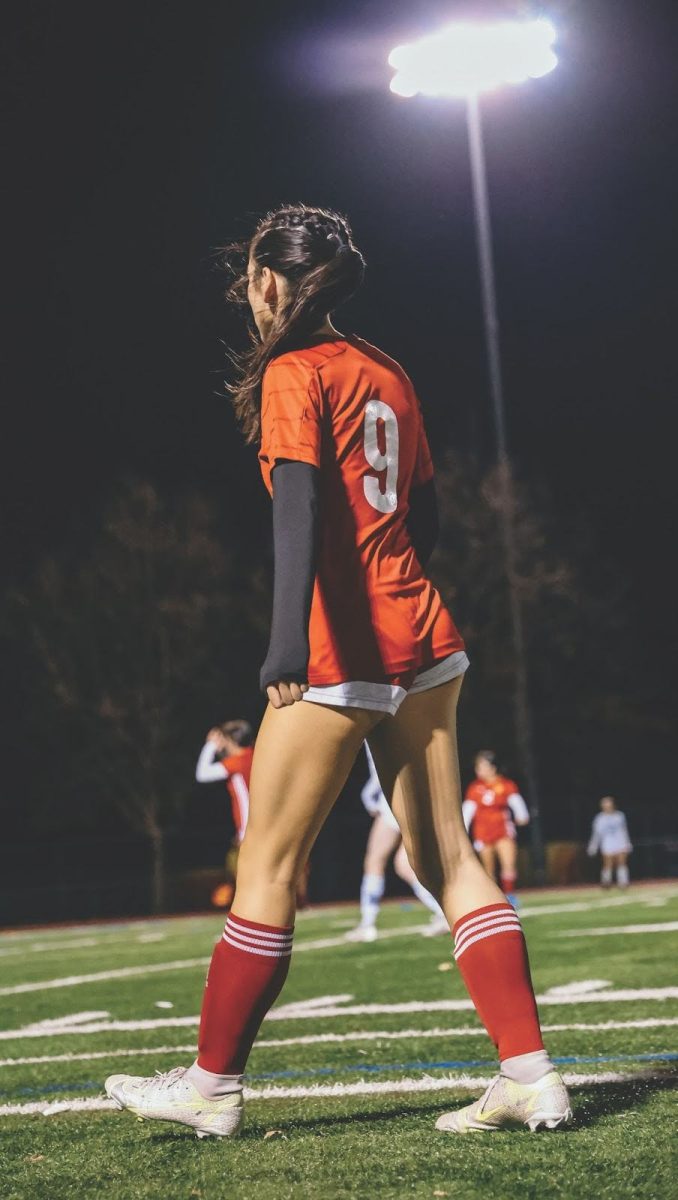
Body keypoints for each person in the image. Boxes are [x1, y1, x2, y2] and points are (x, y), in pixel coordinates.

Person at [106, 204, 571, 1137]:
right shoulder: (386, 368)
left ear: (274, 281)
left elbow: (299, 509)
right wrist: (402, 587)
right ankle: (532, 1075)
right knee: (449, 859)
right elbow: (428, 512)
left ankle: (211, 1088)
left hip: (341, 643)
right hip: (426, 635)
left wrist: (287, 643)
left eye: (250, 276)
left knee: (268, 865)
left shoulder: (294, 369)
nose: (248, 292)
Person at [346, 745, 449, 940]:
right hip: (419, 791)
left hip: (394, 792)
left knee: (374, 860)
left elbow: (386, 760)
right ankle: (444, 913)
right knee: (405, 865)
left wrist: (369, 795)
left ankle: (367, 924)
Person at [195, 720, 255, 907]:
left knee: (244, 879)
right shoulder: (255, 756)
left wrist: (211, 746)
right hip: (265, 826)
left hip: (249, 832)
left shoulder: (238, 761)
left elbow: (202, 774)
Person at [463, 751, 530, 907]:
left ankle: (510, 895)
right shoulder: (474, 788)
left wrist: (521, 815)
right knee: (488, 869)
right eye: (477, 767)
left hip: (503, 831)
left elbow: (516, 803)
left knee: (508, 864)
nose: (479, 770)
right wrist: (463, 828)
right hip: (482, 832)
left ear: (493, 767)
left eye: (482, 766)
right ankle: (493, 899)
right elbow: (468, 810)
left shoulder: (506, 785)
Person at [587, 796, 632, 888]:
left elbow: (624, 830)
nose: (607, 807)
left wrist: (628, 843)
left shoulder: (619, 816)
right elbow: (596, 834)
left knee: (621, 862)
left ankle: (623, 882)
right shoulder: (599, 818)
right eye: (605, 805)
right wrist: (593, 846)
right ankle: (606, 882)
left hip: (620, 841)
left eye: (609, 805)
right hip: (607, 843)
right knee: (607, 864)